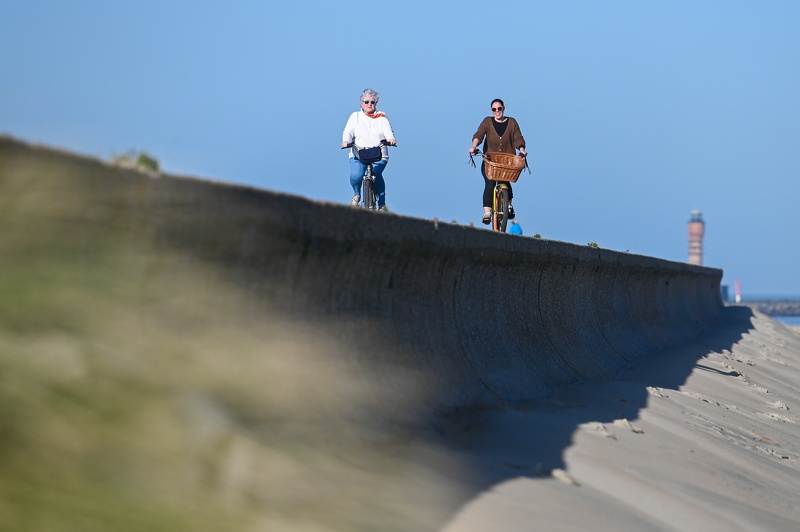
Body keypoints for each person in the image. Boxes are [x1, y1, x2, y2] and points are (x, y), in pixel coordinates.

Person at [468, 98, 527, 225]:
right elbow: (479, 135)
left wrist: (522, 150)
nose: (497, 111)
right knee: (489, 184)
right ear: (491, 110)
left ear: (503, 108)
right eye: (494, 109)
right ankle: (487, 212)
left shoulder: (512, 122)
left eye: (499, 108)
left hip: (507, 161)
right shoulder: (487, 122)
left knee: (506, 181)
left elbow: (518, 138)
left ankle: (509, 205)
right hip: (490, 161)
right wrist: (474, 146)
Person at [342, 88, 397, 210]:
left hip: (379, 154)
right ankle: (356, 194)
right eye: (366, 102)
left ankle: (381, 204)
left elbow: (388, 132)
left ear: (376, 103)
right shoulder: (355, 116)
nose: (369, 104)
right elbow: (348, 131)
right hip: (359, 154)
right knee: (356, 175)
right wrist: (346, 141)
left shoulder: (381, 117)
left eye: (372, 102)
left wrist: (391, 139)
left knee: (377, 174)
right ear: (361, 103)